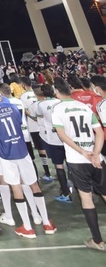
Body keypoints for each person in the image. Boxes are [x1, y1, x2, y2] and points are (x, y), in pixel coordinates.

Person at [0, 89, 56, 239]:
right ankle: (46, 221)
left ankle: (27, 227)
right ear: (0, 95)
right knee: (33, 184)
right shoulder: (13, 107)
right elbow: (18, 123)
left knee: (16, 186)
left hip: (6, 153)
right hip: (22, 150)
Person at [51, 79, 106, 251]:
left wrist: (82, 152)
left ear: (57, 92)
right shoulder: (83, 106)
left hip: (78, 160)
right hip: (96, 159)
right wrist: (95, 153)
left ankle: (98, 241)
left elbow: (62, 135)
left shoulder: (58, 109)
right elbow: (99, 132)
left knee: (87, 199)